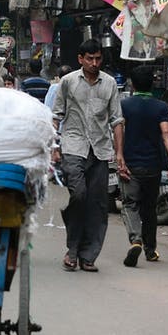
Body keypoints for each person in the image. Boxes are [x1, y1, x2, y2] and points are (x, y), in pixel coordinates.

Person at [52, 39, 123, 273]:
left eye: (98, 59)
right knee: (79, 195)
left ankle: (88, 255)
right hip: (73, 145)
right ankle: (72, 250)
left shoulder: (110, 83)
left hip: (101, 149)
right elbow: (57, 115)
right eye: (90, 59)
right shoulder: (68, 82)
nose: (94, 63)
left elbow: (116, 120)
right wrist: (54, 146)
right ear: (80, 59)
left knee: (98, 204)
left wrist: (119, 153)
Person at [117, 65, 168, 268]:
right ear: (153, 83)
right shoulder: (161, 107)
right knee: (149, 208)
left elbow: (120, 132)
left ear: (132, 84)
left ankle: (136, 240)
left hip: (130, 164)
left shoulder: (124, 105)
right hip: (153, 165)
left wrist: (119, 157)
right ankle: (150, 250)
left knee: (130, 204)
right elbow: (166, 133)